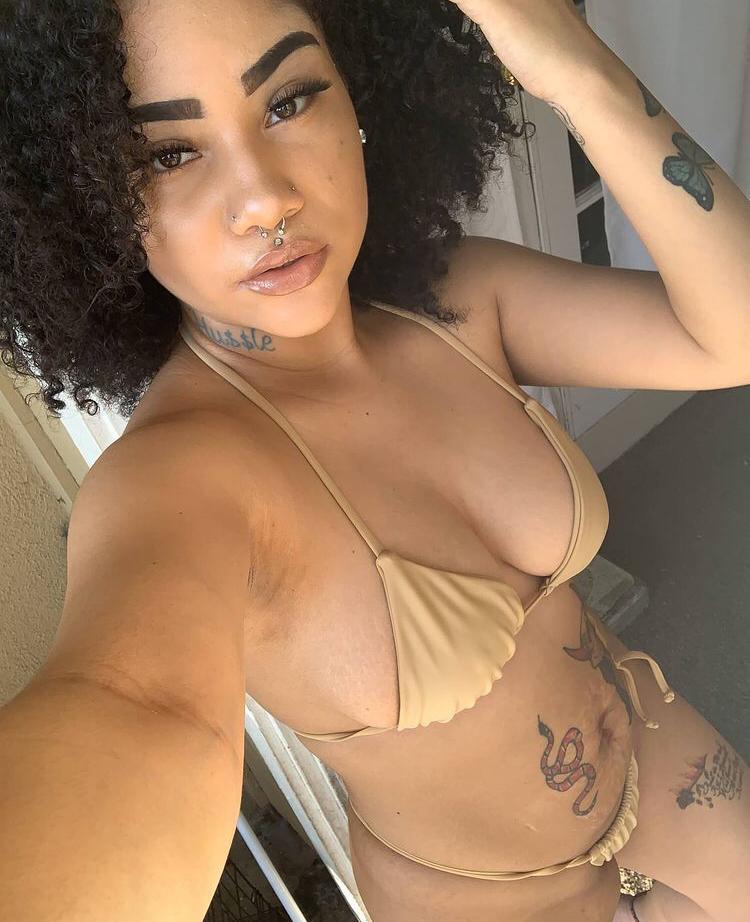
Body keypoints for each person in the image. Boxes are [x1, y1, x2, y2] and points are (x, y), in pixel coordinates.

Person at [0, 0, 748, 920]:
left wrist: (571, 65)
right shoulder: (177, 481)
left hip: (657, 755)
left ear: (358, 91)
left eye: (288, 101)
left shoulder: (459, 302)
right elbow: (131, 708)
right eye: (168, 153)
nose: (266, 199)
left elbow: (733, 333)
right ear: (90, 205)